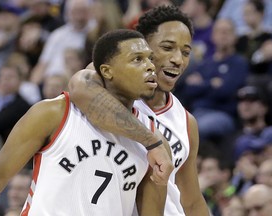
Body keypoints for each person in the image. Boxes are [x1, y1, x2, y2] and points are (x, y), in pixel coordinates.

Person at [0, 29, 173, 215]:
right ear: (107, 71)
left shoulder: (155, 143)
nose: (151, 66)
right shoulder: (54, 113)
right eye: (137, 59)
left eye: (150, 58)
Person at [69, 5, 209, 216]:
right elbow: (78, 87)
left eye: (186, 52)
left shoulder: (186, 121)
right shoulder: (111, 85)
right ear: (142, 45)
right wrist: (151, 141)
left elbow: (191, 201)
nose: (178, 59)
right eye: (168, 47)